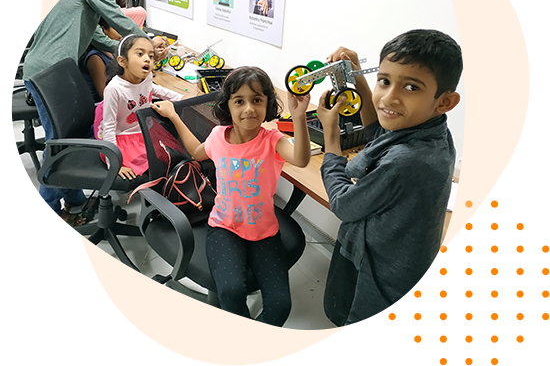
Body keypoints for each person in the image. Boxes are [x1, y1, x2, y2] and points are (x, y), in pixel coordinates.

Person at [316, 29, 463, 338]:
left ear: (445, 101)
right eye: (384, 81)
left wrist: (331, 137)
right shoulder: (433, 131)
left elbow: (343, 203)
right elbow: (380, 133)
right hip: (398, 270)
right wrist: (355, 73)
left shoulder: (407, 161)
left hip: (381, 290)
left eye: (411, 86)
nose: (389, 97)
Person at [153, 67, 312, 326]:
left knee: (281, 305)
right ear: (228, 105)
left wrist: (299, 118)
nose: (249, 108)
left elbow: (302, 159)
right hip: (224, 228)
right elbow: (195, 151)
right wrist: (173, 115)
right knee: (230, 292)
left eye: (257, 100)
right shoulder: (218, 137)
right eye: (239, 101)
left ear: (267, 104)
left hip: (265, 232)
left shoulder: (273, 140)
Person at [24, 0, 147, 230]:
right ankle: (46, 212)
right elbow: (116, 17)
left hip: (55, 71)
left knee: (70, 138)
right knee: (58, 143)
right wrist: (145, 43)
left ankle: (75, 202)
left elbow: (99, 38)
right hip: (48, 74)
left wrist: (129, 51)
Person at [95, 35, 183, 180]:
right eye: (140, 54)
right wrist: (115, 163)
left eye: (151, 55)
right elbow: (109, 128)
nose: (148, 59)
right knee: (154, 166)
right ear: (123, 61)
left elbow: (154, 89)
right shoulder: (114, 89)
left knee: (171, 157)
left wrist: (180, 98)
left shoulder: (146, 78)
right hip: (122, 139)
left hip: (144, 131)